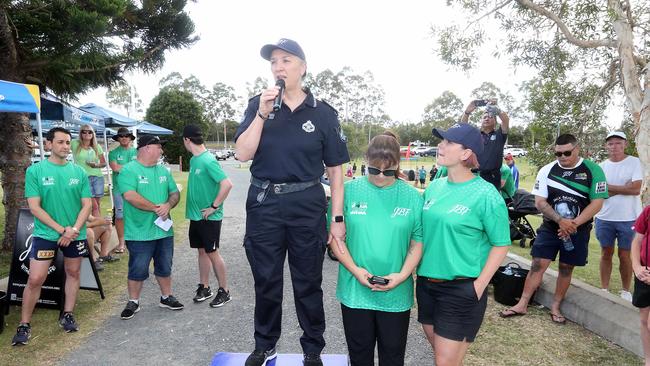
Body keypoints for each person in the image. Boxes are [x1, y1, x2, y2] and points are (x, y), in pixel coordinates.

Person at [234, 38, 349, 366]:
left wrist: (337, 219)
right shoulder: (259, 103)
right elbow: (242, 153)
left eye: (286, 60)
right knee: (266, 279)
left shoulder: (324, 113)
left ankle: (312, 348)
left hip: (307, 203)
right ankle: (265, 344)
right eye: (274, 62)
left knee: (308, 281)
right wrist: (261, 114)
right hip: (265, 202)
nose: (279, 67)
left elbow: (336, 171)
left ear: (303, 66)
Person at [417, 123, 510, 365]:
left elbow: (501, 244)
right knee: (446, 358)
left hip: (460, 290)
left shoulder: (486, 194)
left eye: (448, 142)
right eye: (441, 140)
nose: (440, 145)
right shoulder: (435, 186)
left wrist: (479, 285)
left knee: (444, 362)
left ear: (466, 153)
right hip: (427, 286)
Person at [332, 131, 423, 366]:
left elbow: (418, 242)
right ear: (366, 161)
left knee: (393, 357)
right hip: (355, 290)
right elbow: (335, 239)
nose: (381, 177)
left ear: (398, 165)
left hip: (396, 292)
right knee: (359, 355)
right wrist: (355, 270)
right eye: (374, 170)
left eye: (389, 171)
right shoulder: (348, 192)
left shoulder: (413, 197)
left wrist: (402, 276)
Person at [500, 134, 608, 324]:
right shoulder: (547, 170)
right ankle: (522, 303)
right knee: (537, 264)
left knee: (566, 268)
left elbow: (597, 203)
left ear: (577, 149)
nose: (562, 157)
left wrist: (573, 224)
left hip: (578, 230)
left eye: (567, 152)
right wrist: (560, 221)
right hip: (551, 227)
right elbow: (540, 202)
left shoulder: (593, 170)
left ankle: (556, 306)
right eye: (558, 153)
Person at [12, 127, 92, 346]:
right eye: (60, 142)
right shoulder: (35, 171)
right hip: (46, 234)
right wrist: (61, 230)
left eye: (67, 142)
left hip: (75, 234)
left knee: (73, 272)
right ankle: (24, 324)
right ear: (48, 145)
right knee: (35, 278)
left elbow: (87, 205)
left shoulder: (79, 173)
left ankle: (67, 314)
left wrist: (73, 230)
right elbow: (35, 207)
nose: (65, 146)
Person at [118, 135, 183, 320]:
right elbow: (130, 196)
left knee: (165, 265)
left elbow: (174, 193)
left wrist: (169, 205)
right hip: (139, 232)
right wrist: (157, 208)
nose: (161, 151)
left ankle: (166, 297)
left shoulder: (163, 171)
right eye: (158, 147)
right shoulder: (128, 171)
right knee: (137, 268)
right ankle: (133, 301)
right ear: (146, 148)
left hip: (163, 231)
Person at [183, 125, 234, 307]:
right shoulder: (194, 160)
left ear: (187, 140)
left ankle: (224, 290)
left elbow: (227, 184)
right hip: (196, 216)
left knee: (212, 252)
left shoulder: (208, 160)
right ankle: (204, 287)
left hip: (209, 217)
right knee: (202, 251)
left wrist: (214, 206)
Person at [595, 131, 643, 301]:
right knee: (605, 252)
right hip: (604, 217)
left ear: (625, 144)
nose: (614, 146)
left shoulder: (635, 163)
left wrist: (609, 188)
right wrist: (623, 188)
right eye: (610, 143)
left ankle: (625, 290)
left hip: (629, 218)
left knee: (625, 255)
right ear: (606, 146)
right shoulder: (601, 166)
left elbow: (636, 189)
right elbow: (599, 193)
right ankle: (604, 289)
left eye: (618, 143)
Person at [460, 98, 510, 190]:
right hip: (473, 176)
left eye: (491, 117)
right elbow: (463, 127)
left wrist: (497, 110)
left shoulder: (500, 135)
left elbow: (505, 120)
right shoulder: (475, 135)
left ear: (495, 122)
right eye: (485, 117)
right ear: (481, 121)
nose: (487, 118)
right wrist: (467, 112)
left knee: (490, 203)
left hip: (492, 178)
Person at [108, 127, 137, 254]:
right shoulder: (113, 153)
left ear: (130, 138)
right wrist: (131, 166)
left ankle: (135, 239)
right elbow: (115, 168)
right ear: (118, 138)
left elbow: (139, 168)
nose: (124, 137)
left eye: (126, 135)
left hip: (135, 189)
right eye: (121, 136)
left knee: (135, 214)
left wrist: (124, 167)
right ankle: (121, 243)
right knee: (120, 216)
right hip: (119, 190)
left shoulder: (137, 151)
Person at [71, 124, 106, 217]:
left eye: (90, 131)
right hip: (83, 178)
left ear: (93, 134)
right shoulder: (75, 144)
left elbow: (104, 163)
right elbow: (60, 146)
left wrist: (96, 165)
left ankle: (99, 227)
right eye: (84, 131)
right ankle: (94, 226)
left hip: (97, 177)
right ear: (81, 133)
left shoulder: (97, 146)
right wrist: (37, 147)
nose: (87, 133)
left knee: (97, 205)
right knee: (91, 205)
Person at [630, 205, 650, 365]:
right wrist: (637, 267)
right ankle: (648, 359)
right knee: (644, 320)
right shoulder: (648, 211)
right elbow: (637, 241)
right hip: (644, 273)